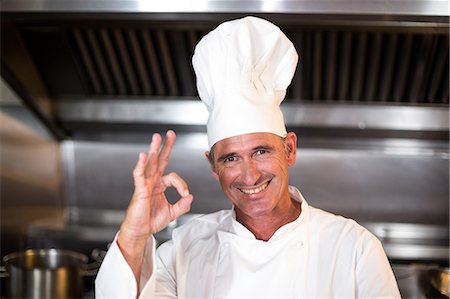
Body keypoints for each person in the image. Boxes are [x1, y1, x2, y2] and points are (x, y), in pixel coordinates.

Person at [95, 16, 401, 298]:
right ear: (212, 166)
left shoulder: (354, 248)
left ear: (289, 149)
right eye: (230, 158)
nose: (250, 175)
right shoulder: (184, 249)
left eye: (261, 151)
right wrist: (136, 233)